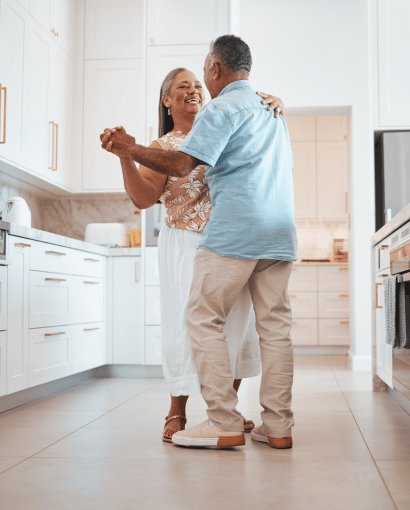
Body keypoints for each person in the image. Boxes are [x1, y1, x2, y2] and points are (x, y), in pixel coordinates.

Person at [100, 67, 285, 442]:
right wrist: (125, 156)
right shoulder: (162, 147)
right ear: (167, 101)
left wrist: (277, 102)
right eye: (182, 86)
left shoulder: (224, 128)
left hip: (231, 242)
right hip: (185, 243)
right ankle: (177, 409)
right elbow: (143, 198)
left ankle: (226, 411)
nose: (193, 90)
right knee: (186, 325)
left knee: (236, 323)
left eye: (198, 84)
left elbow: (256, 110)